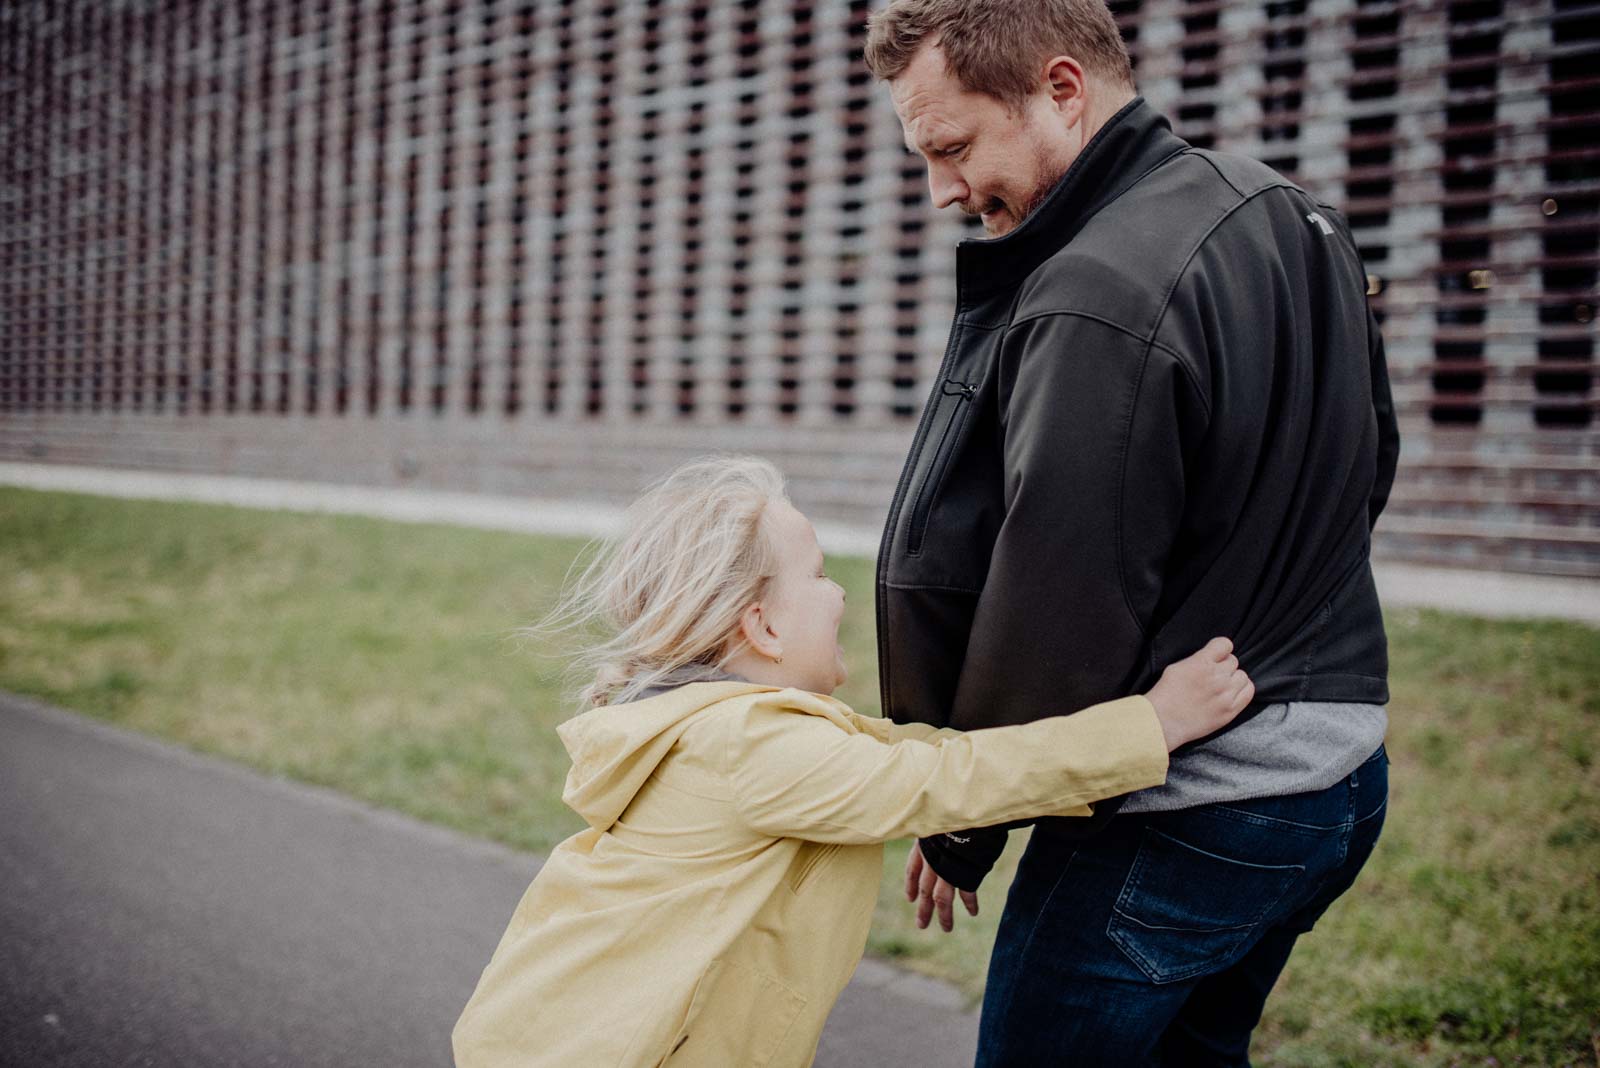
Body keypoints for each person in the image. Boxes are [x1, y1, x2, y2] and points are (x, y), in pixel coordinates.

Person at [863, 0, 1400, 1064]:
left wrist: (964, 823)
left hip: (1194, 807)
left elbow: (1061, 600)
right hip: (1338, 782)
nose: (941, 191)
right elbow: (1371, 456)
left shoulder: (1093, 293)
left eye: (953, 147)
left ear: (1062, 90)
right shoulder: (1289, 211)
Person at [451, 455, 1254, 1068]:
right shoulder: (749, 746)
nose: (838, 596)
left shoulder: (722, 729)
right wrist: (1152, 723)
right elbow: (944, 779)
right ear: (762, 628)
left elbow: (911, 756)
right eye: (818, 575)